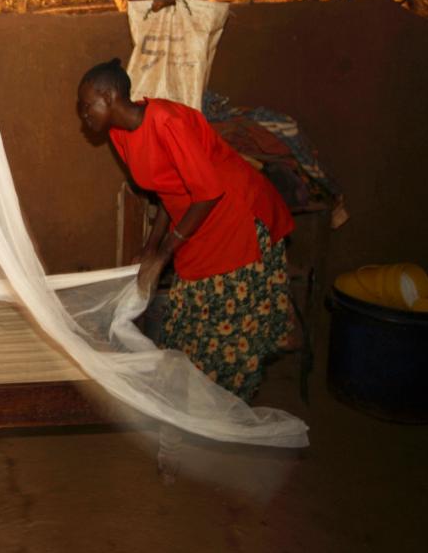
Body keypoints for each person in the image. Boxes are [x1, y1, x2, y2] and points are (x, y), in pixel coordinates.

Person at [77, 58, 294, 401]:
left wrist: (163, 255)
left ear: (110, 94)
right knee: (185, 325)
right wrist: (150, 248)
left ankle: (223, 418)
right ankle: (193, 412)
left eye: (87, 105)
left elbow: (208, 192)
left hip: (234, 221)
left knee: (228, 333)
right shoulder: (119, 135)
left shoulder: (166, 122)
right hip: (196, 226)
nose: (83, 116)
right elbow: (166, 190)